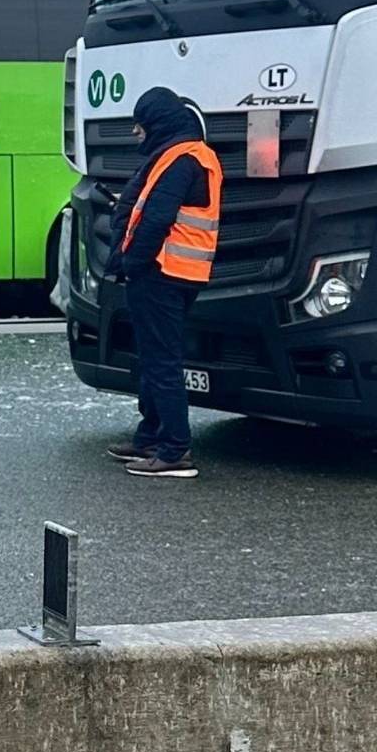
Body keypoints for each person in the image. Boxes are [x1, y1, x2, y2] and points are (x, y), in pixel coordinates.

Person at [104, 87, 222, 479]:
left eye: (140, 125)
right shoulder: (189, 155)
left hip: (161, 271)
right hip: (180, 272)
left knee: (161, 361)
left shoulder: (179, 159)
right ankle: (150, 438)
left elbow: (157, 219)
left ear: (157, 122)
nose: (136, 133)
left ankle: (173, 449)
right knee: (154, 357)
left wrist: (132, 263)